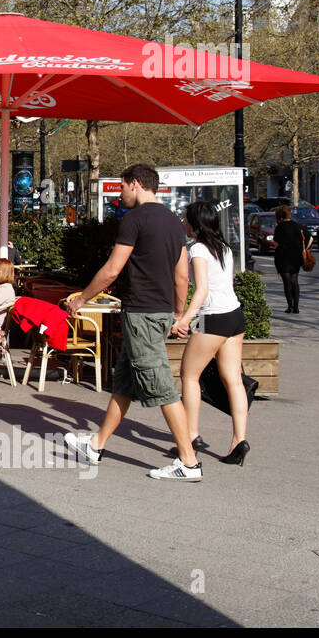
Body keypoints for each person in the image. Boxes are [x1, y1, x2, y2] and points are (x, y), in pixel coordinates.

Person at [62, 163, 201, 481]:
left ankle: (189, 462)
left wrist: (82, 299)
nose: (120, 193)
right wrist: (177, 313)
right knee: (124, 382)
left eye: (122, 187)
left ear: (135, 184)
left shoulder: (134, 220)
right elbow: (182, 275)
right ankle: (95, 446)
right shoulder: (172, 221)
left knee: (161, 386)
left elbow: (113, 269)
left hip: (141, 312)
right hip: (160, 310)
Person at [171, 201, 250, 465]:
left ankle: (191, 436)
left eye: (185, 219)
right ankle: (239, 439)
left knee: (189, 375)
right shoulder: (224, 248)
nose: (183, 223)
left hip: (211, 318)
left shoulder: (198, 250)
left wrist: (186, 319)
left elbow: (201, 290)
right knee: (234, 380)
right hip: (234, 316)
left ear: (195, 224)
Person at [271, 204, 311, 314]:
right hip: (296, 257)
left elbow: (276, 243)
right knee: (295, 281)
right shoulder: (297, 225)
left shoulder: (280, 227)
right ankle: (296, 307)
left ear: (279, 216)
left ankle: (290, 306)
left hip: (283, 258)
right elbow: (310, 238)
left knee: (287, 283)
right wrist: (304, 249)